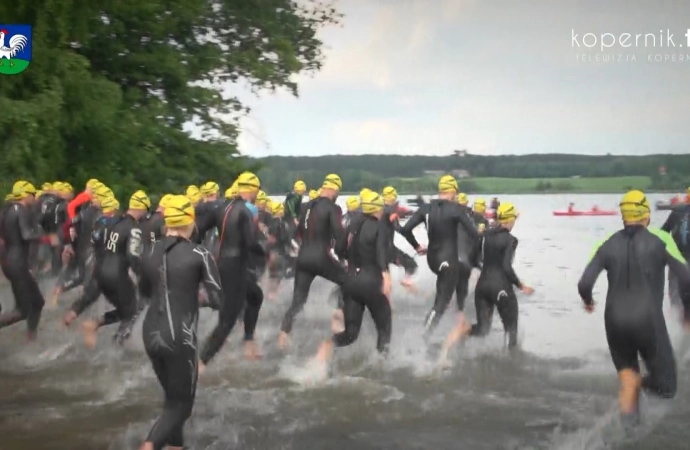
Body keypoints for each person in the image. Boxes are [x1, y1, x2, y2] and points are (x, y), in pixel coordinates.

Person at [577, 190, 690, 422]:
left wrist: (588, 302)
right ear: (646, 215)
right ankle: (640, 386)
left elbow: (584, 283)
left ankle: (627, 433)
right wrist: (687, 312)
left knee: (628, 381)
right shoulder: (662, 240)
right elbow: (685, 278)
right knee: (667, 388)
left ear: (623, 216)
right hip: (648, 320)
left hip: (614, 322)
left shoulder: (606, 243)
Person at [138, 195, 223, 450]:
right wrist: (195, 298)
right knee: (182, 406)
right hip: (179, 335)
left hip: (150, 331)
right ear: (191, 222)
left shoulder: (149, 251)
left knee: (172, 401)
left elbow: (144, 291)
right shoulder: (200, 253)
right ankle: (149, 446)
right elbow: (218, 299)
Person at [439, 202, 533, 362]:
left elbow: (471, 258)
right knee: (511, 330)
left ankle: (459, 336)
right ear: (510, 221)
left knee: (483, 329)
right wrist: (521, 285)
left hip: (482, 287)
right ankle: (511, 367)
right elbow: (506, 267)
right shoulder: (511, 240)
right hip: (501, 288)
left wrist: (485, 268)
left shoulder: (484, 235)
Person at [314, 190, 393, 366]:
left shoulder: (352, 225)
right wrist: (386, 274)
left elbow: (339, 250)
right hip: (370, 282)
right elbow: (381, 252)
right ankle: (382, 366)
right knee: (384, 328)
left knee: (350, 333)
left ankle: (330, 344)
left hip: (350, 282)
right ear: (377, 210)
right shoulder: (379, 226)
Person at [400, 175, 481, 341]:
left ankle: (456, 313)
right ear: (452, 191)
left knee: (454, 281)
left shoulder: (426, 208)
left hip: (433, 260)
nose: (456, 196)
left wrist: (416, 246)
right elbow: (475, 235)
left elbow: (405, 229)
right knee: (441, 303)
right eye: (456, 193)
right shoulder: (456, 209)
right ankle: (424, 338)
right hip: (448, 261)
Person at [278, 174, 347, 349]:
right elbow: (340, 235)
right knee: (348, 280)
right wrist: (345, 257)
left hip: (303, 258)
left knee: (298, 301)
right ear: (334, 189)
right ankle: (337, 317)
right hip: (321, 257)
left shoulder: (305, 206)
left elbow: (295, 231)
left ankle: (283, 335)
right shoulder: (333, 208)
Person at [0, 181, 45, 340]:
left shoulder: (6, 209)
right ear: (26, 195)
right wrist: (43, 237)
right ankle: (31, 338)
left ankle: (31, 338)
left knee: (38, 302)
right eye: (33, 194)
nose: (34, 198)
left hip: (11, 262)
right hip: (17, 263)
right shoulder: (22, 210)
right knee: (22, 310)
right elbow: (26, 235)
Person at [661, 190, 690, 307]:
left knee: (676, 303)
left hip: (676, 263)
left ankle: (674, 324)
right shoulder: (678, 211)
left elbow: (662, 234)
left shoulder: (677, 211)